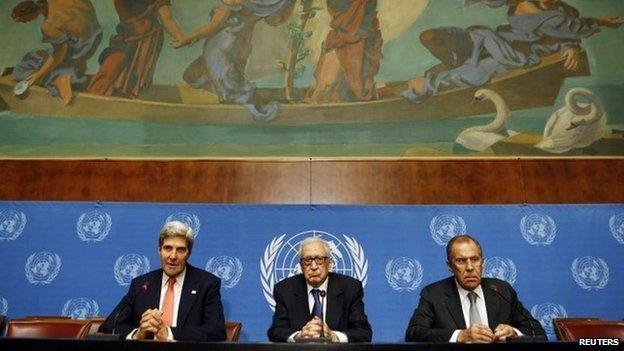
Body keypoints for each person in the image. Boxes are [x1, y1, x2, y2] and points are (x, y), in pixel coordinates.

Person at [403, 0, 623, 103]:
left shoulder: (560, 14)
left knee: (479, 66)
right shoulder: (524, 4)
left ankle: (433, 83)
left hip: (512, 53)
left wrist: (572, 43)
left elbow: (568, 31)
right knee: (436, 36)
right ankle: (450, 68)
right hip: (500, 40)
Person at [99, 221, 226, 341]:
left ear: (189, 253)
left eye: (180, 250)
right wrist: (138, 334)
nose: (173, 256)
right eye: (168, 248)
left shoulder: (207, 284)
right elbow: (109, 326)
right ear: (159, 250)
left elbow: (216, 331)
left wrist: (169, 333)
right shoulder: (142, 284)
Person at [405, 234, 546, 343]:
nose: (470, 267)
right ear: (449, 266)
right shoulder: (434, 294)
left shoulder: (501, 290)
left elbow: (537, 332)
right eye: (461, 261)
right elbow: (414, 334)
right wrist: (460, 335)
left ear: (482, 262)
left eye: (475, 259)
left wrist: (514, 333)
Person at [173, 0, 296, 121]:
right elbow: (274, 21)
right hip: (239, 47)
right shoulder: (259, 3)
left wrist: (189, 38)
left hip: (220, 48)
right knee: (193, 76)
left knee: (234, 94)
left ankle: (239, 111)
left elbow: (214, 25)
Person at [267, 236, 372, 342]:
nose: (313, 266)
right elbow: (276, 331)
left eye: (319, 259)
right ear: (301, 265)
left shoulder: (350, 288)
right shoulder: (285, 289)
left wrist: (334, 336)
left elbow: (363, 332)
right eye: (307, 260)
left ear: (329, 263)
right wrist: (298, 336)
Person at [87, 0, 186, 98]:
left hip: (147, 40)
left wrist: (181, 38)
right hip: (127, 35)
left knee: (133, 80)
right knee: (111, 69)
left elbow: (167, 19)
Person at [11, 0, 102, 105]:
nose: (25, 22)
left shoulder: (49, 25)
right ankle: (70, 70)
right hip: (94, 36)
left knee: (24, 70)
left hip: (79, 46)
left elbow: (60, 54)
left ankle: (60, 79)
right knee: (51, 56)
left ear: (29, 14)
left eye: (23, 20)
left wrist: (39, 74)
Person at [305, 0, 383, 104]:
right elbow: (335, 8)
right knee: (323, 91)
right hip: (341, 37)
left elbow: (366, 21)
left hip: (360, 39)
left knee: (355, 89)